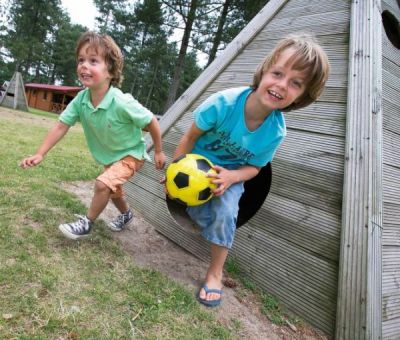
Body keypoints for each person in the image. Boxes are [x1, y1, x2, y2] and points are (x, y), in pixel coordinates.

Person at [170, 34, 330, 307]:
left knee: (226, 212)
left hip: (231, 173)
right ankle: (197, 210)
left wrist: (232, 177)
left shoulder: (275, 132)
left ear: (301, 96)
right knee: (193, 205)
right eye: (278, 73)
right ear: (265, 70)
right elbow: (189, 137)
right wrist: (175, 172)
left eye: (295, 83)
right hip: (195, 165)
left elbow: (255, 168)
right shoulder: (223, 104)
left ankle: (215, 272)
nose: (281, 85)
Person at [20, 32, 166, 240]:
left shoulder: (122, 102)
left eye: (93, 61)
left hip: (132, 155)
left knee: (102, 184)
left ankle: (87, 223)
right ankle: (126, 214)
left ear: (111, 71)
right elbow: (62, 125)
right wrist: (40, 153)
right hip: (111, 156)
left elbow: (151, 121)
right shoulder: (81, 99)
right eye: (81, 60)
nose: (84, 66)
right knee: (113, 191)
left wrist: (159, 151)